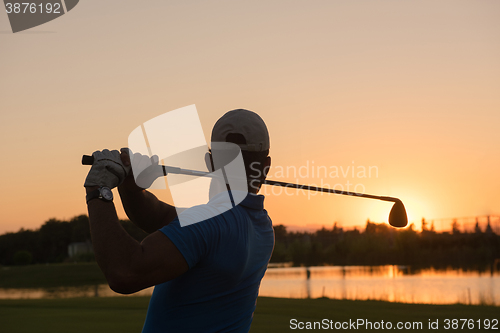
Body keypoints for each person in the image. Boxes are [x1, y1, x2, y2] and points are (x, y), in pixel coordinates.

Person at [84, 109, 274, 332]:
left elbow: (125, 272)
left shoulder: (207, 223)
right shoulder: (262, 226)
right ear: (266, 167)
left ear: (209, 162)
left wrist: (99, 188)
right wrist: (131, 187)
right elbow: (159, 217)